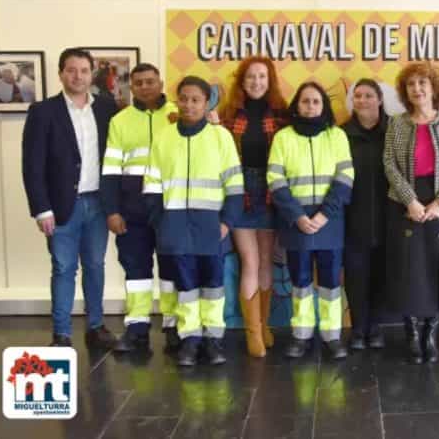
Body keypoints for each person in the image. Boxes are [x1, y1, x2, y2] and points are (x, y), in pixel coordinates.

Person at [143, 76, 244, 367]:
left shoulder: (220, 137)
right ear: (177, 100)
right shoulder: (164, 137)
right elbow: (152, 184)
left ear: (206, 102)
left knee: (213, 284)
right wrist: (159, 221)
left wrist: (227, 222)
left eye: (195, 99)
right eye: (183, 98)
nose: (188, 104)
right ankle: (190, 339)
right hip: (174, 226)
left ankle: (212, 339)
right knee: (185, 285)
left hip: (211, 225)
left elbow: (234, 185)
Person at [21, 48, 118, 348]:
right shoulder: (43, 112)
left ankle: (96, 326)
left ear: (92, 74)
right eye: (71, 70)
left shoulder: (106, 108)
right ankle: (61, 333)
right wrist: (41, 209)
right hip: (62, 206)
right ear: (61, 73)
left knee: (95, 265)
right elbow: (32, 165)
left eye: (84, 70)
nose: (78, 76)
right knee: (63, 268)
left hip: (98, 203)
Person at [384, 63, 439, 364]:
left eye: (422, 83)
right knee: (409, 266)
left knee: (435, 265)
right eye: (410, 85)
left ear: (434, 88)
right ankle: (411, 332)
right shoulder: (396, 124)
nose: (417, 89)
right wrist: (411, 201)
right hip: (406, 204)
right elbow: (389, 164)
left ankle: (430, 330)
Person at [267, 82, 354, 361]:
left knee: (330, 281)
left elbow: (345, 178)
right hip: (296, 221)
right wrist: (298, 216)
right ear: (297, 105)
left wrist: (324, 214)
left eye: (316, 102)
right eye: (305, 101)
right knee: (300, 280)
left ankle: (332, 336)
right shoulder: (283, 138)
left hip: (330, 219)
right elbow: (276, 180)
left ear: (324, 106)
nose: (310, 106)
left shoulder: (337, 136)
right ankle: (301, 335)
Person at [100, 63, 180, 353]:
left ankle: (174, 327)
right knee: (136, 271)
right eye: (139, 83)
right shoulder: (120, 121)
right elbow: (109, 171)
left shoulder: (178, 114)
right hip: (132, 212)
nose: (145, 87)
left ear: (161, 82)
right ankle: (137, 328)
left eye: (150, 81)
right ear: (131, 88)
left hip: (171, 210)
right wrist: (112, 210)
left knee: (172, 269)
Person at [219, 56, 288, 358]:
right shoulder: (228, 115)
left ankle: (265, 324)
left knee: (265, 261)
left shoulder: (283, 114)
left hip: (273, 192)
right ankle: (253, 334)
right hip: (240, 192)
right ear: (241, 81)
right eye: (250, 77)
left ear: (270, 79)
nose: (256, 82)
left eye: (261, 76)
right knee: (249, 261)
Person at [341, 79, 389, 350]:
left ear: (380, 99)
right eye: (357, 96)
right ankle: (358, 329)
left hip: (386, 217)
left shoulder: (394, 130)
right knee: (356, 276)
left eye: (368, 95)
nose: (362, 101)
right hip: (353, 217)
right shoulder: (342, 134)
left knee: (381, 275)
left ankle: (376, 327)